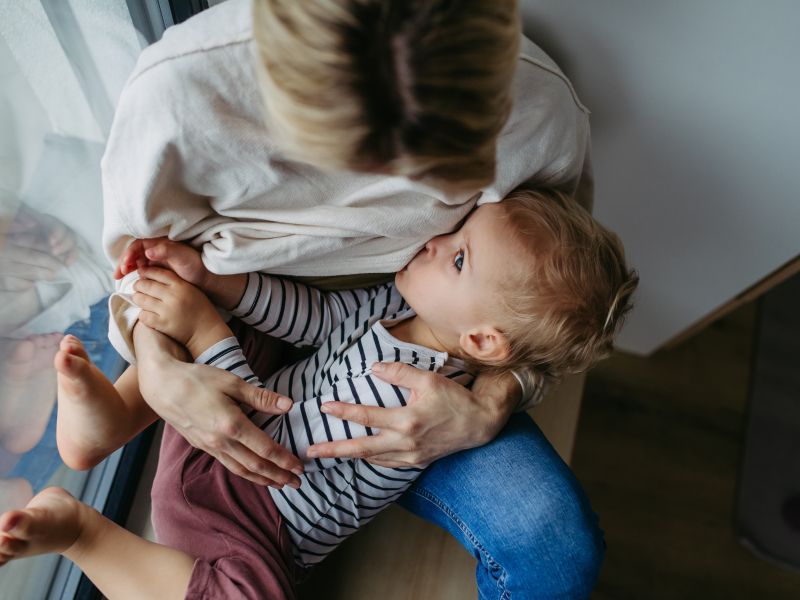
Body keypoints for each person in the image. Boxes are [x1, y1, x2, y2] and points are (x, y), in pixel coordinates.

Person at [99, 0, 601, 596]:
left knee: (561, 552)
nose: (434, 236)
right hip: (247, 336)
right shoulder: (174, 100)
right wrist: (158, 367)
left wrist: (491, 402)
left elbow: (545, 316)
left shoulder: (537, 116)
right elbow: (139, 271)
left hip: (381, 367)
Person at [0, 189, 638, 599]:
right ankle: (97, 434)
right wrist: (224, 294)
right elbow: (316, 321)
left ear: (484, 340)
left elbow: (276, 446)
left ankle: (84, 519)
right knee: (208, 309)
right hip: (225, 448)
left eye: (459, 258)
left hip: (244, 507)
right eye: (459, 232)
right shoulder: (403, 306)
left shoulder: (415, 395)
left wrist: (208, 330)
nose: (437, 240)